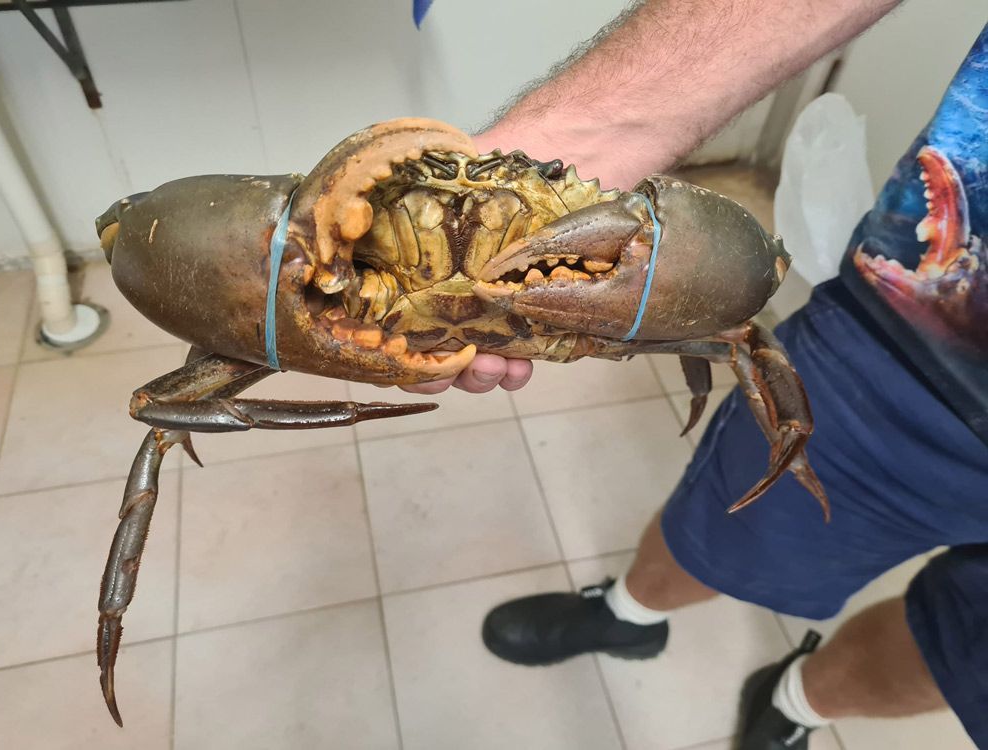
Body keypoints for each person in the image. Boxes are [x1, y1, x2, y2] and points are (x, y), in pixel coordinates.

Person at [402, 1, 988, 748]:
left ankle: (795, 705)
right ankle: (629, 616)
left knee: (965, 664)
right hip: (920, 350)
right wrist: (582, 135)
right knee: (738, 516)